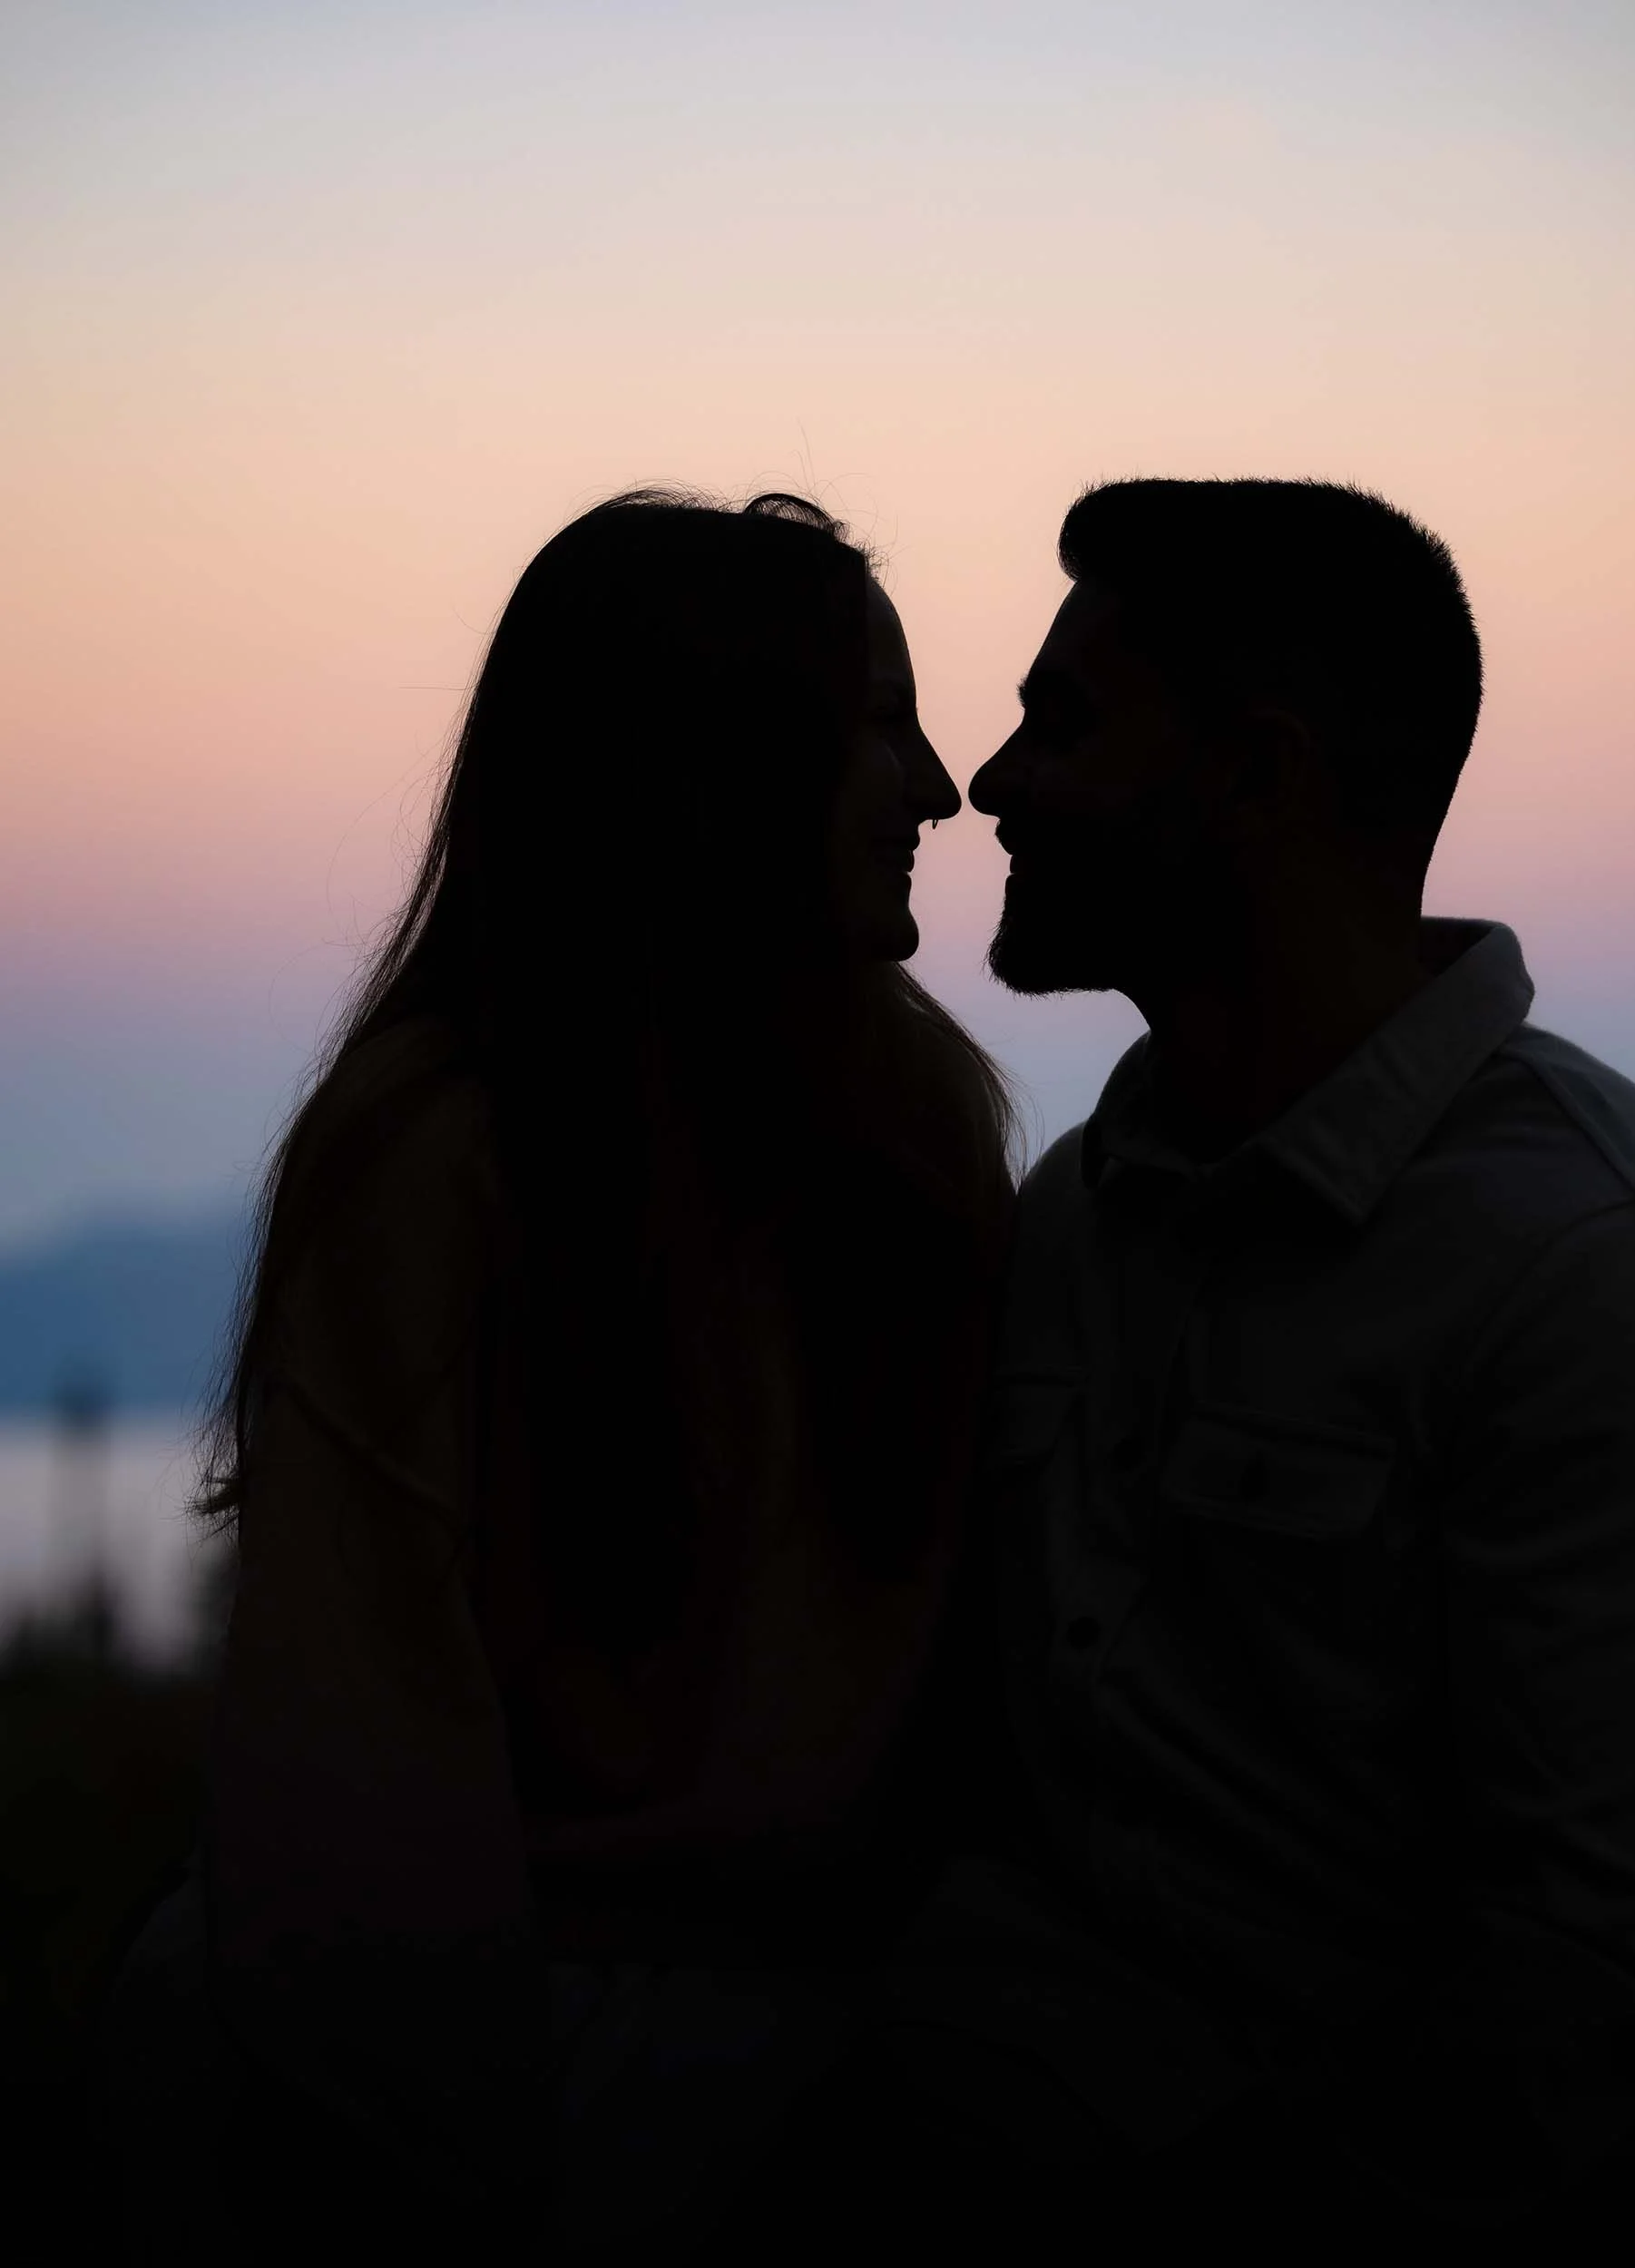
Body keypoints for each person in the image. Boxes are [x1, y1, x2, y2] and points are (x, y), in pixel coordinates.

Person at [761, 476, 1635, 2258]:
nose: (992, 783)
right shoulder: (1069, 1215)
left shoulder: (1588, 1265)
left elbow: (1601, 2009)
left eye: (1062, 723)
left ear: (1256, 777)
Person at [94, 489, 1014, 2259]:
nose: (937, 786)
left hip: (841, 2065)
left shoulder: (922, 1139)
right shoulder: (445, 1165)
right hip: (483, 2079)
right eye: (879, 725)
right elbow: (359, 1763)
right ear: (721, 771)